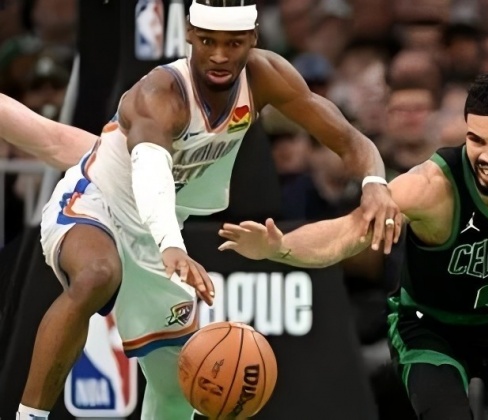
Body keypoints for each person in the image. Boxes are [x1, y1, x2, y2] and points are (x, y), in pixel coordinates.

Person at [2, 1, 400, 419]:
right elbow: (152, 177)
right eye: (208, 41)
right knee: (98, 274)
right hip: (95, 204)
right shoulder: (160, 93)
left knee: (177, 386)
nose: (220, 56)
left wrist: (374, 182)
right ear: (189, 35)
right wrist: (172, 245)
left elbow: (348, 138)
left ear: (254, 38)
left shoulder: (266, 76)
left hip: (156, 230)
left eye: (233, 44)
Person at [218, 74, 488, 420]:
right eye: (476, 140)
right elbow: (346, 233)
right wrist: (280, 246)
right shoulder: (431, 187)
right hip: (431, 327)